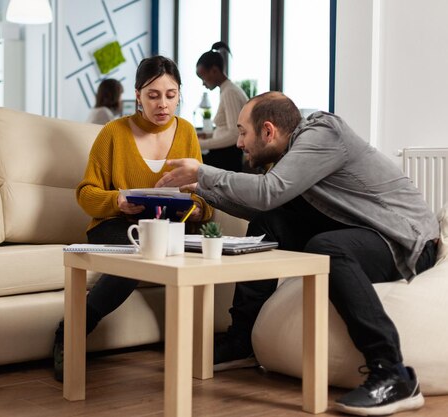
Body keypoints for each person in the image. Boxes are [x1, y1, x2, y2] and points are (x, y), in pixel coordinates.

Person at [155, 91, 439, 416]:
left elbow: (267, 191)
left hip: (405, 241)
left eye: (242, 132)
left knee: (326, 249)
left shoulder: (322, 134)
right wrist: (198, 190)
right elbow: (265, 205)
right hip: (366, 232)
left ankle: (393, 372)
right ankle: (241, 340)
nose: (238, 143)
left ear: (268, 131)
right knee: (268, 222)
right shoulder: (295, 157)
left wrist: (203, 171)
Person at [53, 55, 213, 382]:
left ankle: (197, 349)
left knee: (200, 254)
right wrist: (117, 199)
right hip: (117, 226)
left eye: (170, 95)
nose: (163, 104)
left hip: (169, 227)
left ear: (180, 94)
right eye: (153, 95)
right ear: (138, 95)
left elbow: (202, 192)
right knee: (139, 253)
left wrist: (198, 209)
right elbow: (86, 193)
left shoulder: (186, 132)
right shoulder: (113, 133)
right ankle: (70, 332)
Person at [195, 41, 248, 172]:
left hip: (227, 158)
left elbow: (235, 134)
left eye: (203, 77)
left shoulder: (230, 92)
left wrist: (199, 144)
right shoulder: (227, 90)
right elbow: (226, 128)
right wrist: (208, 136)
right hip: (225, 155)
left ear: (214, 71)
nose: (203, 83)